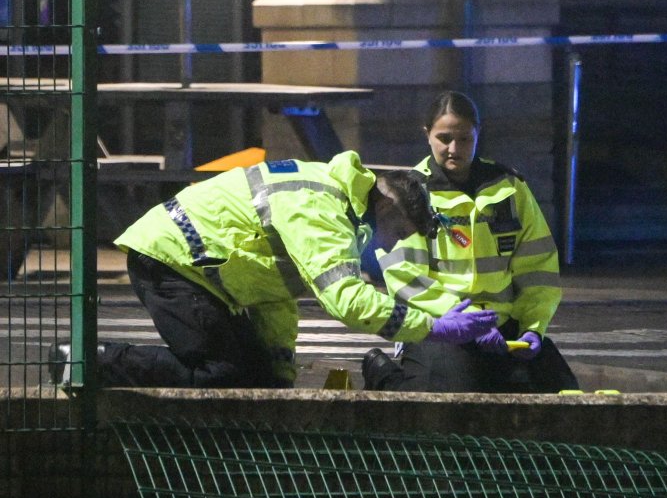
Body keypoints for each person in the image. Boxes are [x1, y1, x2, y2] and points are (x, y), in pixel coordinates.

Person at [47, 151, 498, 388]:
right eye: (398, 230)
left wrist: (278, 369)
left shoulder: (335, 203)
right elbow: (345, 299)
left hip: (196, 269)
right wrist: (431, 327)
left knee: (254, 375)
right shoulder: (324, 208)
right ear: (384, 203)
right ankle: (88, 362)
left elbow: (277, 290)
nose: (394, 243)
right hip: (172, 261)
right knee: (221, 373)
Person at [362, 91, 579, 393]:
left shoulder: (509, 188)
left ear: (479, 134)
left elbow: (538, 269)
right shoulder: (410, 192)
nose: (453, 148)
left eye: (464, 139)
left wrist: (534, 328)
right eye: (444, 138)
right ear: (427, 135)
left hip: (502, 327)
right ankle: (382, 374)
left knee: (563, 393)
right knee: (447, 404)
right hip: (441, 325)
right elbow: (405, 278)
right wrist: (464, 318)